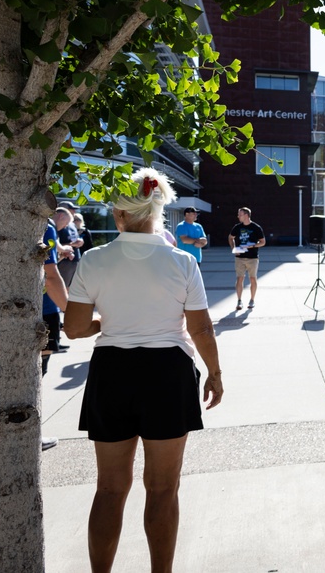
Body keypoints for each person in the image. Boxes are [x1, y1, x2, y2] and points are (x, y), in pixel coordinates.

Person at [63, 167, 223, 573]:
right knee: (163, 488)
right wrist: (215, 373)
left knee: (110, 489)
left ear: (119, 213)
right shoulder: (182, 261)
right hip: (168, 373)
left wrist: (111, 322)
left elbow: (76, 328)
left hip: (112, 371)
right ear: (159, 211)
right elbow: (200, 327)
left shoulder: (96, 259)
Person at [228, 207, 265, 310]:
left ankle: (252, 300)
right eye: (238, 214)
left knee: (253, 278)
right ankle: (239, 301)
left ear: (246, 215)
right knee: (240, 278)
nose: (238, 216)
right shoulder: (237, 227)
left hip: (252, 258)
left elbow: (263, 242)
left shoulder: (256, 227)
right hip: (239, 258)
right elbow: (230, 237)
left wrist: (252, 246)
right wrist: (233, 248)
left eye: (240, 214)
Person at [53, 206, 83, 288]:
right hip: (61, 266)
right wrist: (67, 248)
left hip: (72, 260)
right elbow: (54, 245)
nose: (65, 226)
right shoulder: (51, 227)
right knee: (60, 288)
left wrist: (62, 255)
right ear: (61, 216)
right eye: (66, 223)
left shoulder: (54, 228)